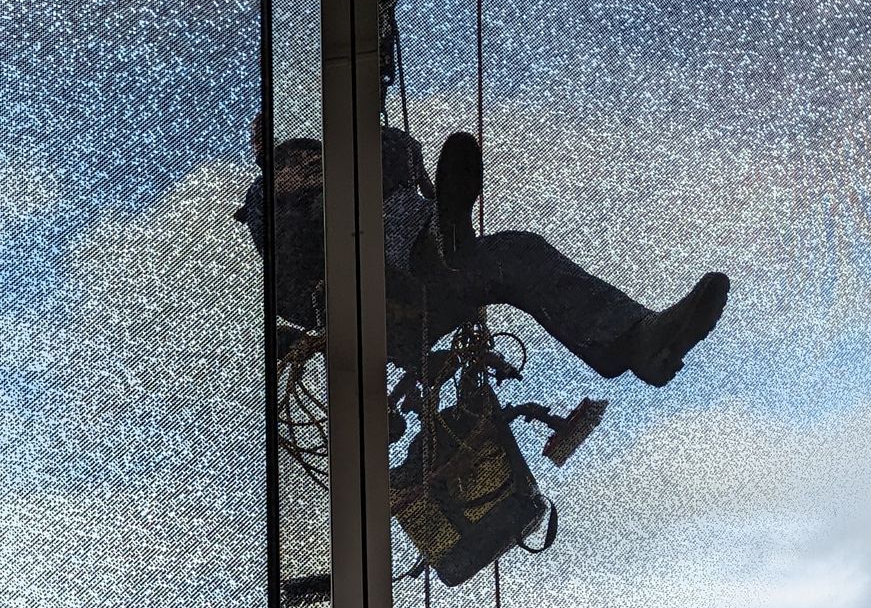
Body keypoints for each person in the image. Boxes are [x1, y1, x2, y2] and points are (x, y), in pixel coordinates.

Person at [239, 113, 728, 396]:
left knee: (517, 252)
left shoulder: (368, 180)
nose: (307, 165)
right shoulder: (281, 220)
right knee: (360, 221)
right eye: (293, 163)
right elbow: (292, 296)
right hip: (381, 312)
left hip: (439, 284)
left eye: (313, 156)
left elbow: (402, 153)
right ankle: (444, 236)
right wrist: (276, 183)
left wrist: (362, 129)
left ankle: (639, 339)